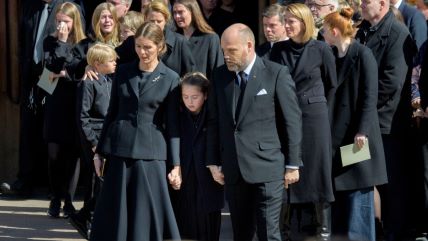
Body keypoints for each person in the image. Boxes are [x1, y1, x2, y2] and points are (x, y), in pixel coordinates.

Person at [206, 23, 302, 241]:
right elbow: (213, 121)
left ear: (249, 46)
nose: (226, 56)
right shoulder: (220, 76)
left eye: (231, 50)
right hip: (233, 170)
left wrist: (293, 164)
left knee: (269, 233)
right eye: (223, 51)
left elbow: (292, 120)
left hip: (268, 167)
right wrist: (213, 161)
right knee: (241, 233)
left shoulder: (276, 73)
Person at [89, 22, 181, 241]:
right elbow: (111, 113)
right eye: (139, 46)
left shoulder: (171, 78)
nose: (142, 52)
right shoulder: (123, 71)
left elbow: (174, 125)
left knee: (145, 216)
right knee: (115, 216)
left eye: (148, 47)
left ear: (160, 46)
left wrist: (176, 165)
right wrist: (99, 152)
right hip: (119, 152)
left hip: (151, 155)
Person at [0, 0, 84, 198]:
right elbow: (24, 39)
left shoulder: (68, 7)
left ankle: (54, 188)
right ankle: (24, 182)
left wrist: (50, 78)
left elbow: (74, 41)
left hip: (54, 75)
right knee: (29, 127)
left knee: (53, 131)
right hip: (32, 75)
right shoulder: (31, 7)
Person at [270, 3, 337, 240]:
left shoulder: (321, 48)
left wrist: (319, 109)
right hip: (286, 118)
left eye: (291, 21)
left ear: (304, 22)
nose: (286, 25)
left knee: (318, 173)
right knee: (288, 170)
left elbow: (332, 85)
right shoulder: (278, 50)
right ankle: (285, 230)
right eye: (285, 21)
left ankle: (323, 230)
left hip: (315, 120)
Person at [322, 8, 388, 241]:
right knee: (339, 205)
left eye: (324, 30)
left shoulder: (363, 54)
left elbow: (370, 96)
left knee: (358, 201)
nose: (321, 34)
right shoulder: (330, 55)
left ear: (334, 31)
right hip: (336, 140)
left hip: (357, 140)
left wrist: (363, 130)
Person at [355, 0, 417, 239]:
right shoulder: (363, 30)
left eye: (366, 1)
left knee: (391, 183)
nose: (361, 4)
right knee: (363, 178)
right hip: (364, 121)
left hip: (385, 123)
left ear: (382, 4)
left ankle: (396, 233)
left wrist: (362, 105)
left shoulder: (398, 33)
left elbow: (392, 82)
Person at [42, 1, 86, 218]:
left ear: (74, 21)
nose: (61, 25)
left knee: (72, 154)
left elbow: (76, 71)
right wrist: (60, 43)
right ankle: (54, 197)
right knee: (54, 153)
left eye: (66, 21)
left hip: (75, 103)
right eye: (59, 21)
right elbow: (47, 74)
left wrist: (65, 72)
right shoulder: (50, 41)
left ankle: (68, 199)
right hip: (54, 102)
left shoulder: (82, 44)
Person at [70, 43, 117, 239]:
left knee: (105, 183)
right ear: (98, 64)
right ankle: (84, 217)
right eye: (111, 60)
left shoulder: (108, 80)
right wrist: (93, 142)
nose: (116, 63)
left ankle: (87, 217)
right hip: (96, 140)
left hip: (108, 137)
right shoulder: (87, 84)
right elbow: (83, 117)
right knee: (99, 182)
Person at [173, 72, 224, 241]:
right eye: (185, 97)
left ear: (206, 95)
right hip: (186, 173)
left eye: (195, 97)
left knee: (208, 221)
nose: (190, 101)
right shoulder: (179, 115)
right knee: (187, 221)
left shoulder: (214, 115)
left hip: (208, 174)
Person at [116, 0, 196, 76]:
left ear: (166, 20)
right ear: (145, 19)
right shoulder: (133, 41)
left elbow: (191, 74)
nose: (155, 25)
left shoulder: (180, 42)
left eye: (159, 21)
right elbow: (114, 60)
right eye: (152, 21)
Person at [67, 2, 120, 81]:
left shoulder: (122, 43)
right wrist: (86, 66)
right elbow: (71, 66)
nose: (107, 20)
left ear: (115, 20)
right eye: (103, 17)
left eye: (111, 17)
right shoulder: (84, 45)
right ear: (96, 20)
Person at [172, 0, 224, 78]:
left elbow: (218, 71)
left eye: (180, 12)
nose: (177, 16)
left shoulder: (210, 38)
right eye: (174, 13)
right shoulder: (173, 38)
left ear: (192, 12)